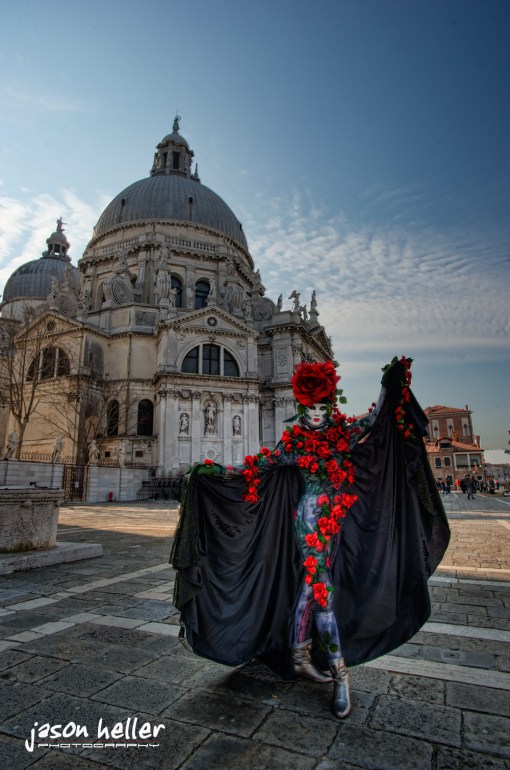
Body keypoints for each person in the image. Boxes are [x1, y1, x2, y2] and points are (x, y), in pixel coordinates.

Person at [170, 357, 450, 720]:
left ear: (329, 406)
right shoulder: (295, 443)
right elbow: (259, 465)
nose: (316, 414)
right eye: (311, 408)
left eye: (322, 407)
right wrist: (214, 470)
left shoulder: (341, 435)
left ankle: (300, 655)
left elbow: (375, 419)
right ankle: (340, 674)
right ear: (303, 406)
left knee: (308, 589)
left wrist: (388, 384)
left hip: (337, 522)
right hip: (307, 520)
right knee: (322, 592)